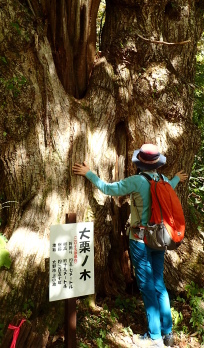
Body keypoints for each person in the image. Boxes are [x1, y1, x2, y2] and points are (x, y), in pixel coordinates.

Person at [72, 143, 188, 348]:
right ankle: (168, 333)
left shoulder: (137, 181)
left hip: (140, 240)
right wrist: (177, 177)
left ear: (140, 163)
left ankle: (155, 338)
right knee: (159, 284)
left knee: (146, 286)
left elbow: (108, 189)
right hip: (160, 238)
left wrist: (88, 173)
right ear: (157, 164)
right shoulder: (163, 181)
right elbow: (170, 188)